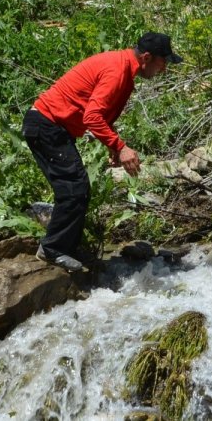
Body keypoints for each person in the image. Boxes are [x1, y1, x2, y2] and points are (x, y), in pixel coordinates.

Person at [23, 32, 181, 271]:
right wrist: (120, 147)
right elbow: (92, 117)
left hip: (52, 127)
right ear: (147, 57)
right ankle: (52, 249)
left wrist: (112, 145)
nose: (164, 69)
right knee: (74, 188)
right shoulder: (117, 71)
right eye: (163, 62)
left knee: (77, 189)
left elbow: (101, 115)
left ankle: (65, 247)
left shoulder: (125, 71)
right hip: (46, 125)